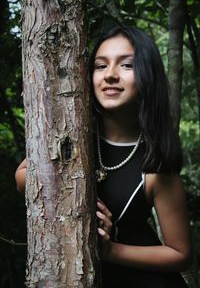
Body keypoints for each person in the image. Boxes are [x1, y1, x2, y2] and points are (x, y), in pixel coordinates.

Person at [16, 26, 192, 287]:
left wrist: (109, 249)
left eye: (127, 65)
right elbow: (22, 178)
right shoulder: (72, 131)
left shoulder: (155, 161)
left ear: (148, 77)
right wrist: (80, 203)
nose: (110, 75)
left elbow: (180, 254)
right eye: (100, 66)